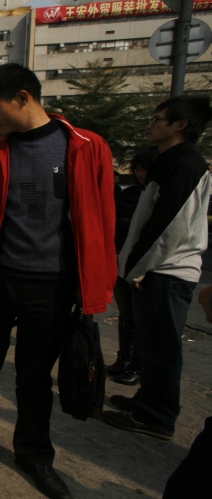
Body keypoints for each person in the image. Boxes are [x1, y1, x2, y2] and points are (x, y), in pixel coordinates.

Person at [0, 64, 116, 499]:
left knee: (35, 376)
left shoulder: (86, 147)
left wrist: (96, 284)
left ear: (23, 97)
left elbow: (102, 219)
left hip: (54, 285)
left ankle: (35, 455)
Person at [103, 95, 212, 440]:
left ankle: (157, 417)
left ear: (181, 124)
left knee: (162, 347)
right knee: (150, 344)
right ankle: (146, 402)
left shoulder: (187, 163)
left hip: (167, 271)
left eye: (157, 118)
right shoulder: (168, 160)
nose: (150, 124)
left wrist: (138, 268)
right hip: (155, 270)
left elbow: (171, 227)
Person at [107, 148, 156, 382]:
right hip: (121, 260)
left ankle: (137, 365)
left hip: (142, 265)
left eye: (145, 169)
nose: (141, 173)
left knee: (139, 318)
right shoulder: (130, 194)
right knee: (125, 315)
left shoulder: (160, 195)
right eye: (138, 169)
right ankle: (124, 359)